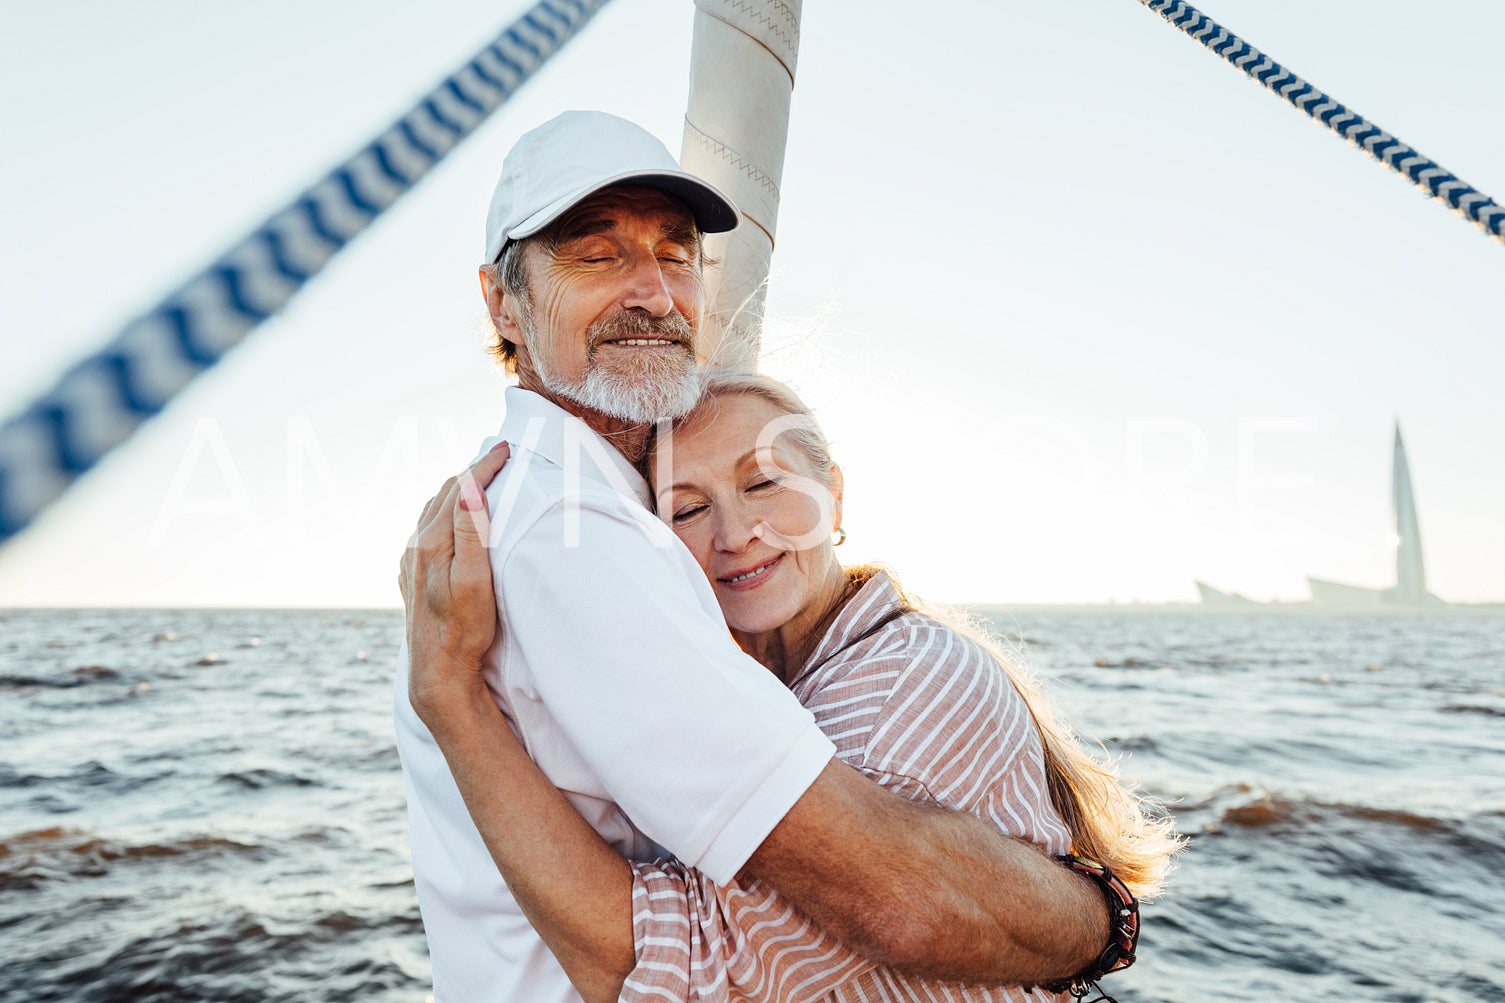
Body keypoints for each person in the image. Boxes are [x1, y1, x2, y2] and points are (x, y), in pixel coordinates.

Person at [394, 110, 1115, 1003]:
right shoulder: (574, 529)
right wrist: (1099, 920)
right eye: (597, 253)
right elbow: (888, 900)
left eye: (676, 252)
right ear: (501, 301)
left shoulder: (577, 506)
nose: (654, 293)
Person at [404, 372, 1181, 1003]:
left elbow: (681, 975)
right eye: (687, 508)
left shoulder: (898, 681)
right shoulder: (784, 685)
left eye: (764, 482)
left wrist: (453, 699)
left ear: (832, 494)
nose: (735, 532)